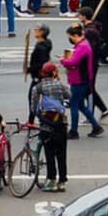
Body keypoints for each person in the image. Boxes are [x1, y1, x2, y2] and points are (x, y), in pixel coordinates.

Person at [30, 62, 70, 192]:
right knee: (61, 153)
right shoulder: (60, 85)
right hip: (60, 123)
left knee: (49, 152)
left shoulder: (38, 88)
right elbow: (70, 95)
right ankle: (62, 181)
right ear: (54, 73)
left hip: (46, 124)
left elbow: (33, 107)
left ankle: (52, 180)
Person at [59, 23, 104, 138]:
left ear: (74, 35)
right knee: (80, 105)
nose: (70, 39)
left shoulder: (82, 46)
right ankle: (96, 126)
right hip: (82, 78)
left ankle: (74, 130)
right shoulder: (83, 44)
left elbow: (73, 61)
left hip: (79, 79)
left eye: (70, 36)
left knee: (74, 104)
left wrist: (63, 60)